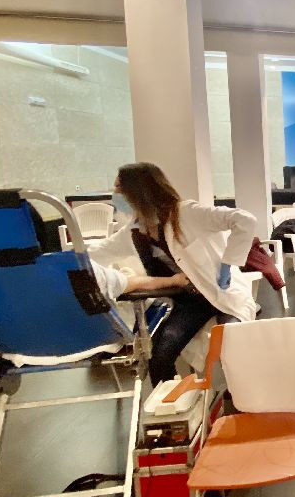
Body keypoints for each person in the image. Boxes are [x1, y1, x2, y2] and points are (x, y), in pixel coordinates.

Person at [89, 162, 257, 383]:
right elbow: (96, 253)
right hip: (190, 301)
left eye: (119, 187)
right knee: (160, 354)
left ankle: (237, 399)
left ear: (140, 190)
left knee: (231, 346)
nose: (115, 194)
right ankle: (171, 401)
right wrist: (56, 260)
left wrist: (228, 263)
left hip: (223, 293)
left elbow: (244, 220)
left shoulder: (187, 213)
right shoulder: (134, 232)